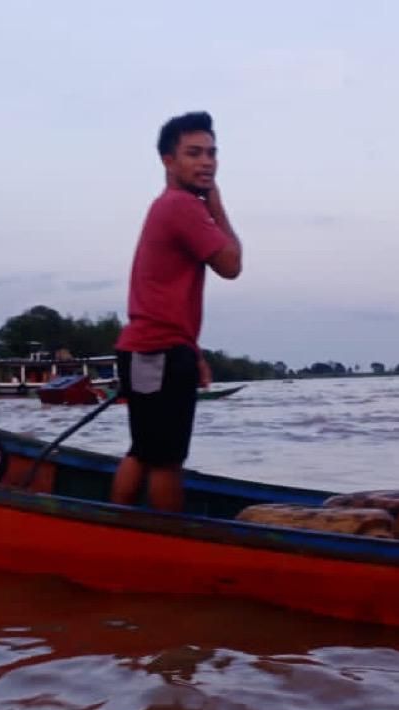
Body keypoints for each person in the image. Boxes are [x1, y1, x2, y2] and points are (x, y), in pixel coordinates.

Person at [110, 111, 242, 511]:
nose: (206, 162)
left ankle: (119, 530)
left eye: (212, 153)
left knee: (146, 450)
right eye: (194, 153)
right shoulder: (183, 207)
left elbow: (165, 293)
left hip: (160, 349)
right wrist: (216, 202)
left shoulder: (171, 206)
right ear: (169, 161)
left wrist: (191, 352)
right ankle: (164, 543)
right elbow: (231, 264)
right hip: (156, 351)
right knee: (165, 460)